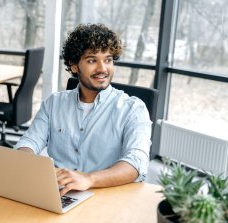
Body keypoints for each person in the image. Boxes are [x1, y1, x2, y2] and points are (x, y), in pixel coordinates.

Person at [14, 23, 151, 196]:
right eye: (92, 60)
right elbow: (29, 142)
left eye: (108, 60)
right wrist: (24, 160)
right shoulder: (54, 103)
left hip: (106, 197)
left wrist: (89, 179)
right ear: (74, 65)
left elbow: (136, 163)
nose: (102, 69)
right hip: (60, 194)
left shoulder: (133, 109)